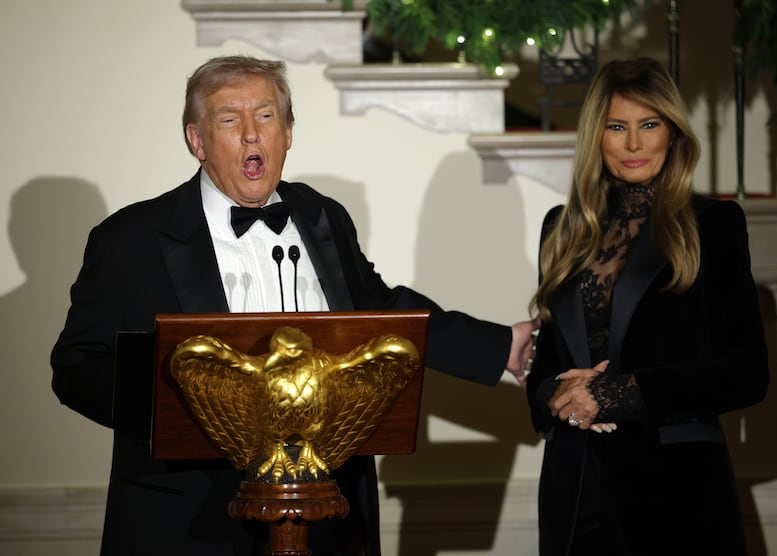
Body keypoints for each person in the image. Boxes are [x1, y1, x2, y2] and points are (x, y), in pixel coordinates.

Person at [51, 55, 535, 556]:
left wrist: (500, 346)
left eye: (265, 116)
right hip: (189, 517)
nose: (251, 135)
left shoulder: (322, 214)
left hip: (328, 511)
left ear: (287, 133)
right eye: (228, 120)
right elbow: (76, 366)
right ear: (197, 141)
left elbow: (377, 312)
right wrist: (174, 407)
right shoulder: (130, 239)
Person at [525, 57, 769, 556]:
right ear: (598, 136)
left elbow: (746, 372)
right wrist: (554, 394)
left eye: (649, 125)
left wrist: (620, 393)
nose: (634, 144)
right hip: (574, 493)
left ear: (673, 133)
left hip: (677, 495)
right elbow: (546, 364)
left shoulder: (714, 224)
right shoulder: (562, 229)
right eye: (617, 127)